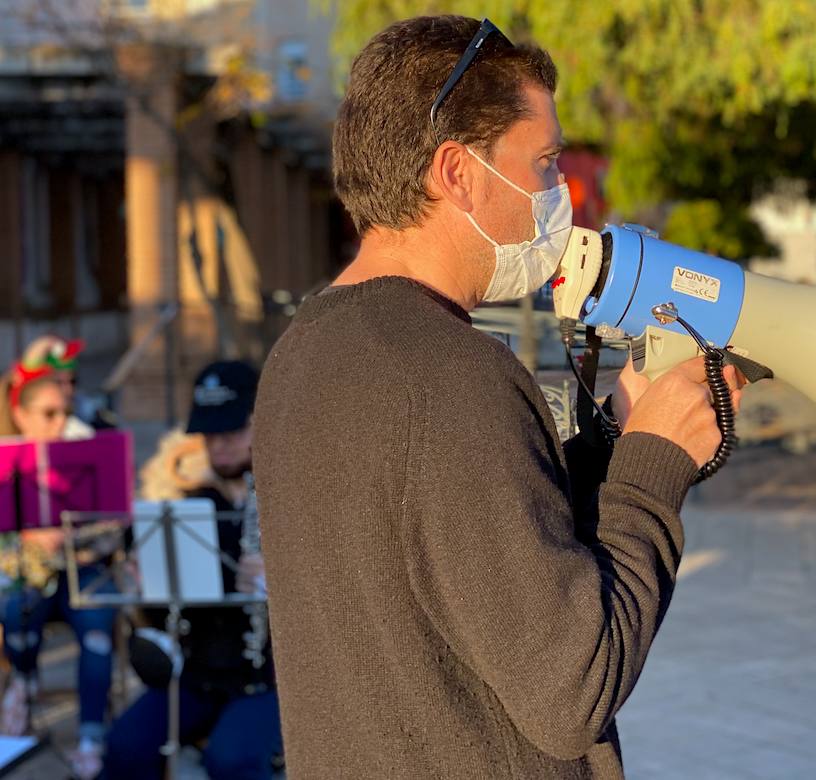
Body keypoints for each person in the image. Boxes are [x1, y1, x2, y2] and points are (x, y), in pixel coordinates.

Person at [253, 15, 741, 778]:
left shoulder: (303, 351)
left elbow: (465, 551)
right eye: (545, 163)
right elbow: (574, 687)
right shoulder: (449, 374)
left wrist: (616, 438)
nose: (561, 192)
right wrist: (656, 471)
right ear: (457, 171)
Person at [103, 361, 282, 780]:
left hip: (273, 681)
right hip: (199, 676)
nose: (218, 446)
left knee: (231, 759)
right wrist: (148, 582)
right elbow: (167, 619)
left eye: (232, 432)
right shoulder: (187, 508)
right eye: (209, 435)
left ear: (262, 422)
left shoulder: (295, 499)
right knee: (126, 744)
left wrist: (282, 581)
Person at [0, 366, 117, 780]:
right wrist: (27, 538)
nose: (59, 422)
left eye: (62, 412)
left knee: (98, 623)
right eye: (48, 413)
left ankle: (90, 737)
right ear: (22, 415)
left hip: (81, 571)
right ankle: (24, 681)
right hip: (27, 575)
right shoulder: (6, 459)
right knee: (15, 610)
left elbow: (116, 525)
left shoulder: (86, 448)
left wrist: (89, 538)